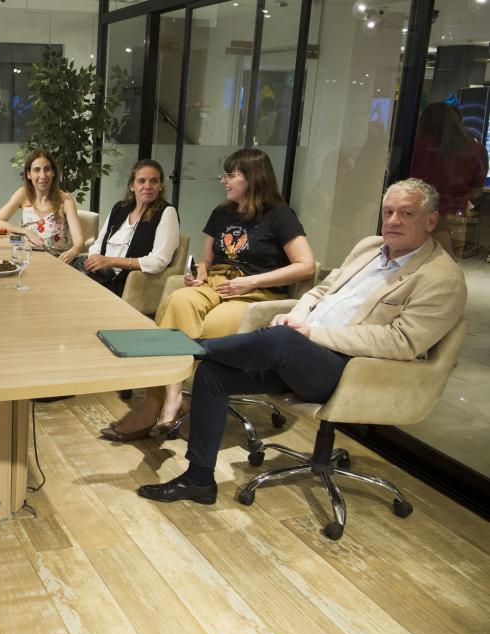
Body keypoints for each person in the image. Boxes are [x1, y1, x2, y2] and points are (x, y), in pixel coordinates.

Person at [137, 178, 466, 504]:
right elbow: (322, 289)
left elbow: (402, 342)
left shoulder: (441, 277)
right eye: (388, 211)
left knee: (280, 340)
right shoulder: (369, 247)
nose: (393, 221)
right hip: (301, 354)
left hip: (352, 371)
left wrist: (310, 333)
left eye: (406, 214)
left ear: (431, 220)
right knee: (213, 374)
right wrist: (300, 316)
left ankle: (184, 348)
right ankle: (199, 480)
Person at [103, 148, 314, 442]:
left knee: (189, 332)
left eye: (231, 174)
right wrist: (198, 273)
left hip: (256, 295)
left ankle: (154, 406)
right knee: (177, 301)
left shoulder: (280, 215)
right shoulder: (221, 213)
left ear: (252, 178)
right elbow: (207, 261)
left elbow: (306, 266)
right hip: (215, 284)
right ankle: (173, 398)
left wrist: (250, 282)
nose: (223, 180)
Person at [76, 159, 180, 295]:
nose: (148, 186)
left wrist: (111, 261)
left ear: (160, 186)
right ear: (132, 185)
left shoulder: (166, 213)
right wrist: (95, 261)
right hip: (101, 274)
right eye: (141, 181)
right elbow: (99, 243)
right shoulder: (120, 208)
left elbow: (158, 262)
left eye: (154, 181)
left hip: (125, 282)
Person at [409, 102, 488, 261]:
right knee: (449, 267)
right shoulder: (476, 149)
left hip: (414, 213)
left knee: (411, 266)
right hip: (454, 217)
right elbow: (476, 190)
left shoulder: (413, 146)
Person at [0, 149, 84, 263]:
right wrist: (26, 232)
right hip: (26, 259)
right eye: (36, 170)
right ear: (29, 174)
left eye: (47, 169)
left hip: (56, 264)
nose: (42, 175)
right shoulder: (23, 194)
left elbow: (79, 241)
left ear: (53, 172)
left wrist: (73, 252)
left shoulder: (66, 200)